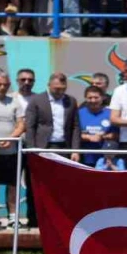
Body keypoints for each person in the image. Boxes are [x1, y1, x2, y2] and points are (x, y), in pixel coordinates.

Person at [24, 73, 79, 227]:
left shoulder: (71, 101)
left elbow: (75, 126)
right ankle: (33, 220)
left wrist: (75, 150)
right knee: (36, 185)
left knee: (62, 187)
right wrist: (32, 150)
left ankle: (60, 220)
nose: (59, 92)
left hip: (63, 148)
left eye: (62, 89)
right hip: (42, 148)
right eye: (56, 89)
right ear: (49, 85)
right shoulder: (37, 100)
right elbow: (30, 127)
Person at [0, 73, 25, 229]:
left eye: (6, 85)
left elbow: (21, 125)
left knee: (13, 186)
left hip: (11, 151)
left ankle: (13, 218)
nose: (2, 87)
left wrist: (10, 138)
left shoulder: (15, 102)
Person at [77, 85, 118, 170]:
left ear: (102, 97)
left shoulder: (110, 113)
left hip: (106, 160)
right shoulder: (78, 113)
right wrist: (88, 137)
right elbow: (73, 134)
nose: (93, 100)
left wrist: (103, 137)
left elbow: (117, 135)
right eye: (90, 98)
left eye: (96, 97)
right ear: (85, 98)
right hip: (84, 158)